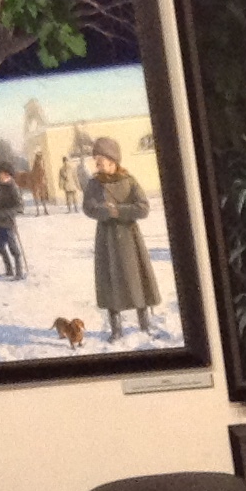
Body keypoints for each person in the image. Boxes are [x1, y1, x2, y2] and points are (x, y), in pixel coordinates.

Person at [82, 136, 159, 339]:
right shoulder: (94, 184)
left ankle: (144, 324)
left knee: (137, 279)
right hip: (106, 239)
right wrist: (104, 211)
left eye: (100, 161)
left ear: (112, 161)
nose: (97, 165)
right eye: (96, 161)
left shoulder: (129, 180)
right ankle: (116, 329)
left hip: (129, 238)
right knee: (110, 281)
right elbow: (88, 208)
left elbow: (143, 208)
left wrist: (119, 211)